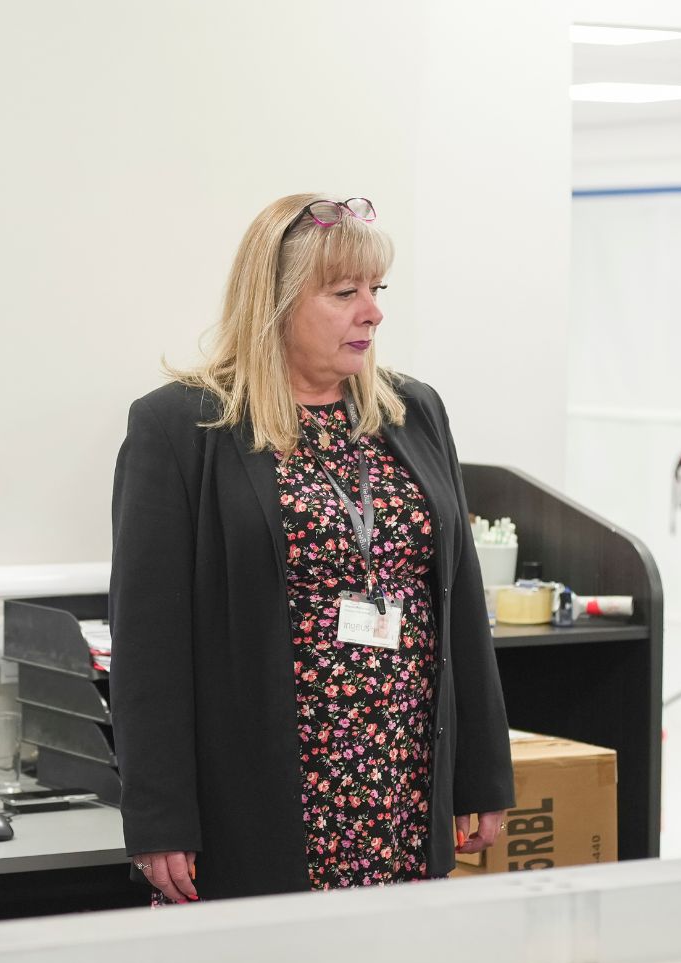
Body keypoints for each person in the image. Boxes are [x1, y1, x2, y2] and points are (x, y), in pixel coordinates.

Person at [108, 194, 515, 904]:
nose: (373, 312)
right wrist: (159, 816)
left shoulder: (413, 411)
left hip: (401, 778)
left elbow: (457, 600)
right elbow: (149, 645)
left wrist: (482, 773)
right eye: (344, 293)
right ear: (274, 302)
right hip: (262, 792)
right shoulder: (182, 426)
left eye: (377, 289)